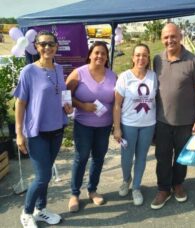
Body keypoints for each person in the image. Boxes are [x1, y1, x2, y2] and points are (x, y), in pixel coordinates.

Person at [15, 31, 73, 228]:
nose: (47, 47)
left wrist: (67, 106)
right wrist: (18, 133)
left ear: (56, 46)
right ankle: (27, 212)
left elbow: (61, 94)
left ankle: (41, 210)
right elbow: (20, 103)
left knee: (46, 173)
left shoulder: (58, 69)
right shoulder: (28, 71)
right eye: (43, 44)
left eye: (51, 44)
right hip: (36, 132)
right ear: (36, 47)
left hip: (57, 129)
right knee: (43, 177)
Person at [151, 22, 195, 210]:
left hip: (186, 121)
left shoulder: (193, 61)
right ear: (161, 39)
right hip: (162, 120)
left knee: (182, 157)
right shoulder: (157, 59)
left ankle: (178, 184)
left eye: (173, 36)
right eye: (166, 37)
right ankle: (163, 188)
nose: (170, 40)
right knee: (162, 156)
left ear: (180, 36)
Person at [66, 41, 116, 212]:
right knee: (82, 157)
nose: (100, 56)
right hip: (83, 125)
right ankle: (74, 194)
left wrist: (117, 125)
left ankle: (92, 190)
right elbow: (66, 96)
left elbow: (117, 101)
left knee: (99, 158)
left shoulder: (112, 76)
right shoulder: (79, 73)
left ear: (107, 57)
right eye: (97, 53)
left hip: (104, 126)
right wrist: (82, 105)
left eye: (103, 53)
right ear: (90, 54)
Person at [113, 43, 157, 206]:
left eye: (144, 55)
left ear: (148, 58)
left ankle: (136, 187)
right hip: (128, 124)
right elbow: (117, 104)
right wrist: (117, 128)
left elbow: (156, 101)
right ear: (132, 57)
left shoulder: (153, 76)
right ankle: (126, 179)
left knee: (141, 158)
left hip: (148, 124)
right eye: (138, 55)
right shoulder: (124, 77)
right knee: (126, 158)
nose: (141, 58)